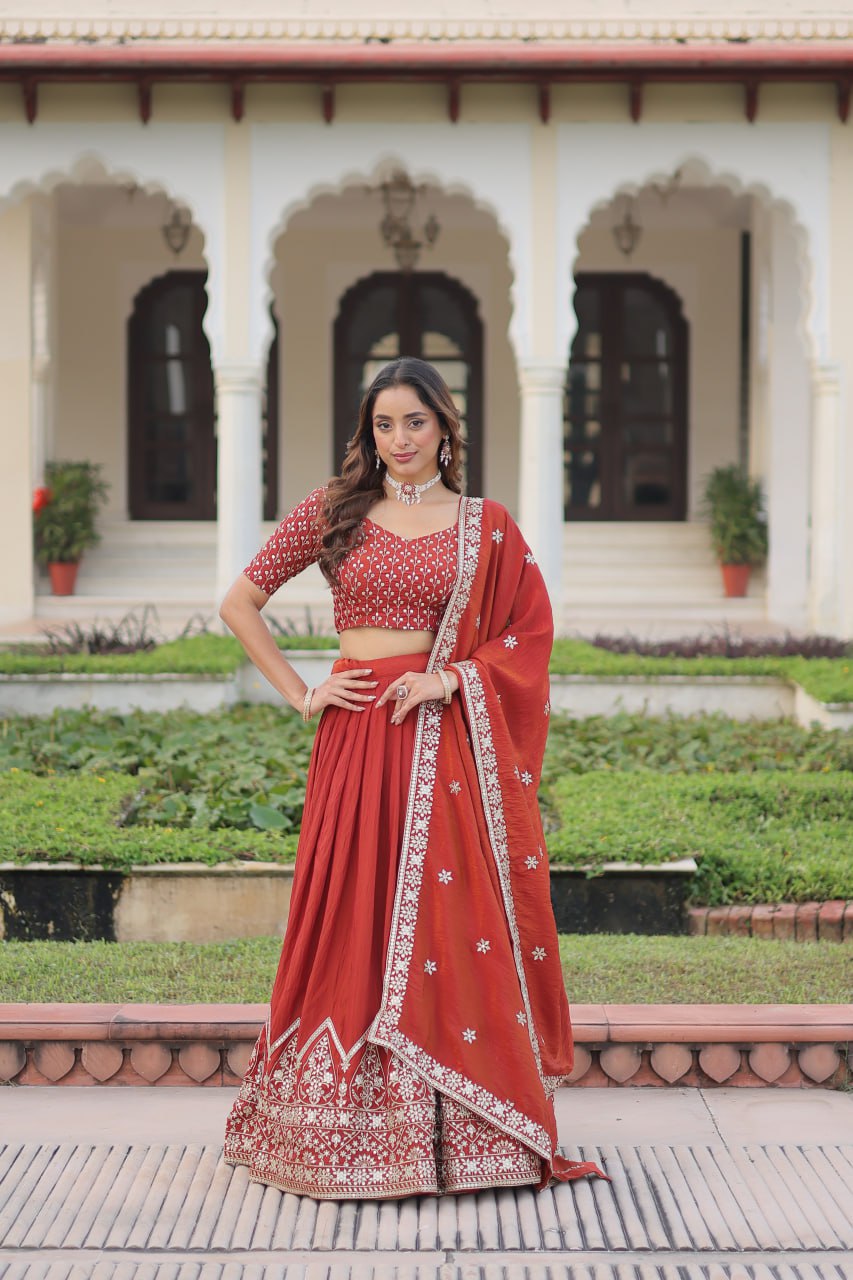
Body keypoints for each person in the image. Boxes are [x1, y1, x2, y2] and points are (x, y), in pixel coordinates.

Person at [219, 357, 608, 1200]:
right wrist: (303, 693)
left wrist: (448, 679)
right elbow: (238, 603)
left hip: (438, 743)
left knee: (446, 922)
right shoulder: (333, 511)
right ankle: (330, 1124)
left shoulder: (484, 525)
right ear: (369, 432)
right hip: (355, 738)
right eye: (384, 423)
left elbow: (527, 634)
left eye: (415, 422)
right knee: (347, 913)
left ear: (445, 428)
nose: (399, 439)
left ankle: (458, 1129)